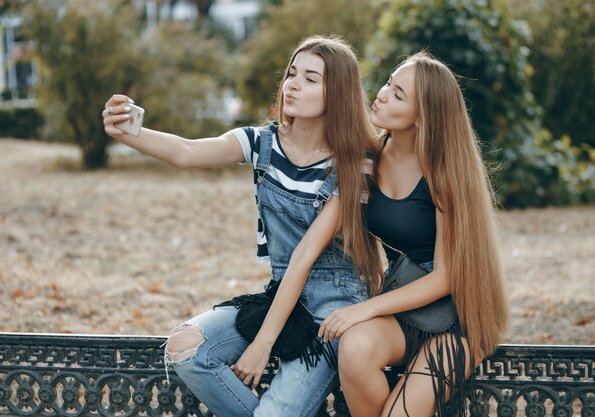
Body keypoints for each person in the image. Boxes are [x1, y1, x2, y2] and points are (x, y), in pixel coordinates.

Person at [102, 35, 383, 417]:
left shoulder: (355, 164)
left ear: (338, 94)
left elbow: (304, 256)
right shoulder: (262, 142)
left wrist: (262, 344)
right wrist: (129, 132)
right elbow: (187, 152)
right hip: (283, 294)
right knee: (184, 348)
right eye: (292, 73)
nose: (293, 85)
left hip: (332, 314)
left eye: (311, 78)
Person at [318, 51, 509, 417]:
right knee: (354, 348)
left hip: (457, 319)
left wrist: (364, 309)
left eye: (399, 95)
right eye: (390, 82)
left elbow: (445, 278)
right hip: (405, 308)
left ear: (422, 117)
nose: (384, 93)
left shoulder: (443, 174)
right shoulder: (372, 155)